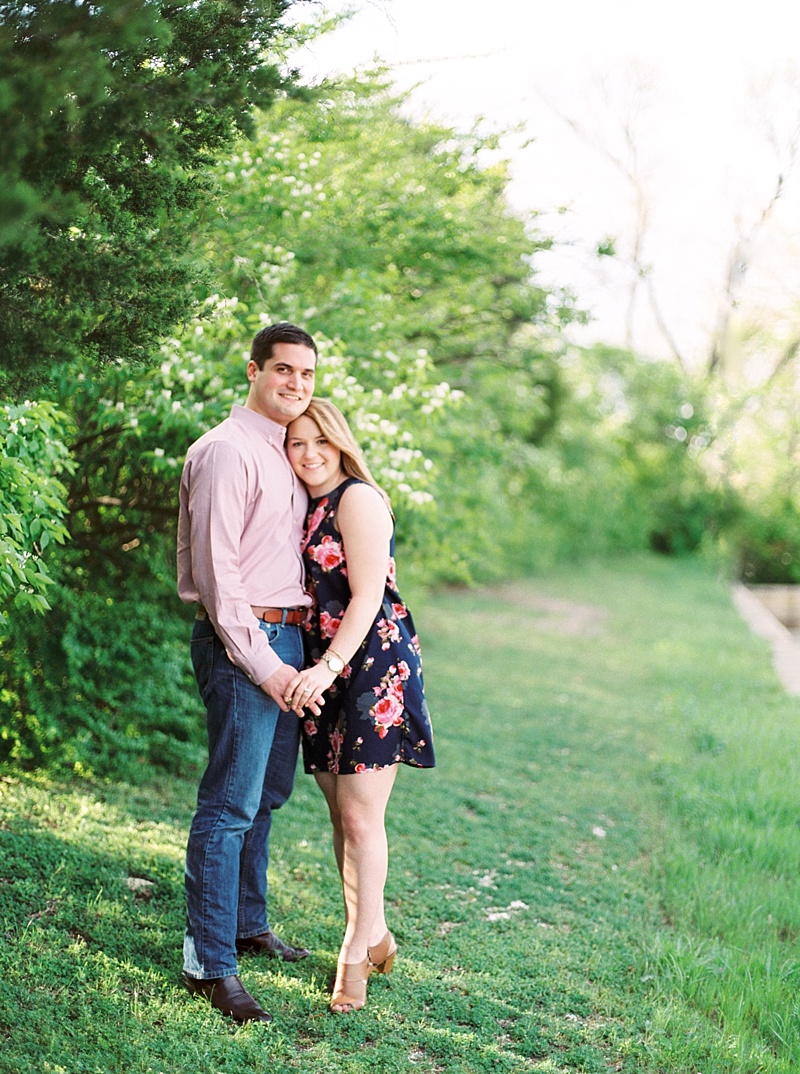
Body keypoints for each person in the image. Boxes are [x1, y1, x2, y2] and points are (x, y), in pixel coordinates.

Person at [176, 322, 319, 1024]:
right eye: (284, 370)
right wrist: (264, 666)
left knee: (265, 795)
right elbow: (218, 577)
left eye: (307, 375)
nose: (296, 384)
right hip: (245, 644)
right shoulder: (227, 452)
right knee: (229, 804)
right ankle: (209, 963)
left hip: (289, 641)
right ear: (254, 370)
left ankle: (245, 921)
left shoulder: (287, 451)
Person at [283, 398, 435, 1013]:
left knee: (360, 816)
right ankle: (375, 933)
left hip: (370, 664)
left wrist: (326, 668)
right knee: (340, 812)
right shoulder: (307, 504)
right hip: (326, 665)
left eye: (320, 441)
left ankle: (353, 956)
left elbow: (369, 596)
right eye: (297, 444)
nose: (310, 454)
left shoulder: (357, 499)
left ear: (340, 442)